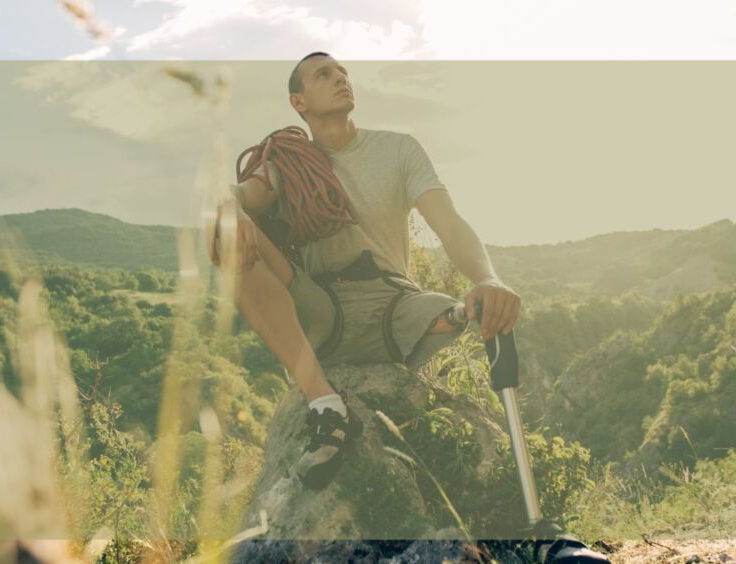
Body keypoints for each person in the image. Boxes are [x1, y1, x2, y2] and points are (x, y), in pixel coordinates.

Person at [207, 52, 522, 489]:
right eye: (324, 74)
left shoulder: (399, 149)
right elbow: (237, 194)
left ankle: (450, 318)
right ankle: (325, 404)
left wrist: (487, 279)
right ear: (298, 102)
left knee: (467, 307)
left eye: (343, 72)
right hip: (325, 308)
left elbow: (448, 223)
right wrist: (228, 207)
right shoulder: (288, 163)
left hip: (397, 305)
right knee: (225, 236)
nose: (340, 78)